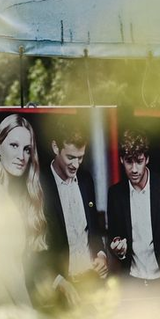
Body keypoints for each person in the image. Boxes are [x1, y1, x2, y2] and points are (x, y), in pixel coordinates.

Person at [106, 130, 160, 286]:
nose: (134, 169)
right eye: (128, 161)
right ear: (121, 160)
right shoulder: (115, 194)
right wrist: (117, 245)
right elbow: (114, 234)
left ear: (147, 159)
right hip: (132, 279)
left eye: (139, 161)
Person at [0, 113, 47, 308]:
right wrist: (29, 315)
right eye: (14, 146)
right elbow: (7, 266)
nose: (22, 157)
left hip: (7, 308)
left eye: (27, 149)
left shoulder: (9, 195)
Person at [39, 120, 108, 305]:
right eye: (70, 157)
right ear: (55, 147)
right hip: (59, 290)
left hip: (91, 284)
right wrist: (59, 282)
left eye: (80, 157)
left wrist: (101, 254)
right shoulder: (39, 185)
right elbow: (34, 246)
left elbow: (93, 228)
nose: (76, 165)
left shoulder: (85, 179)